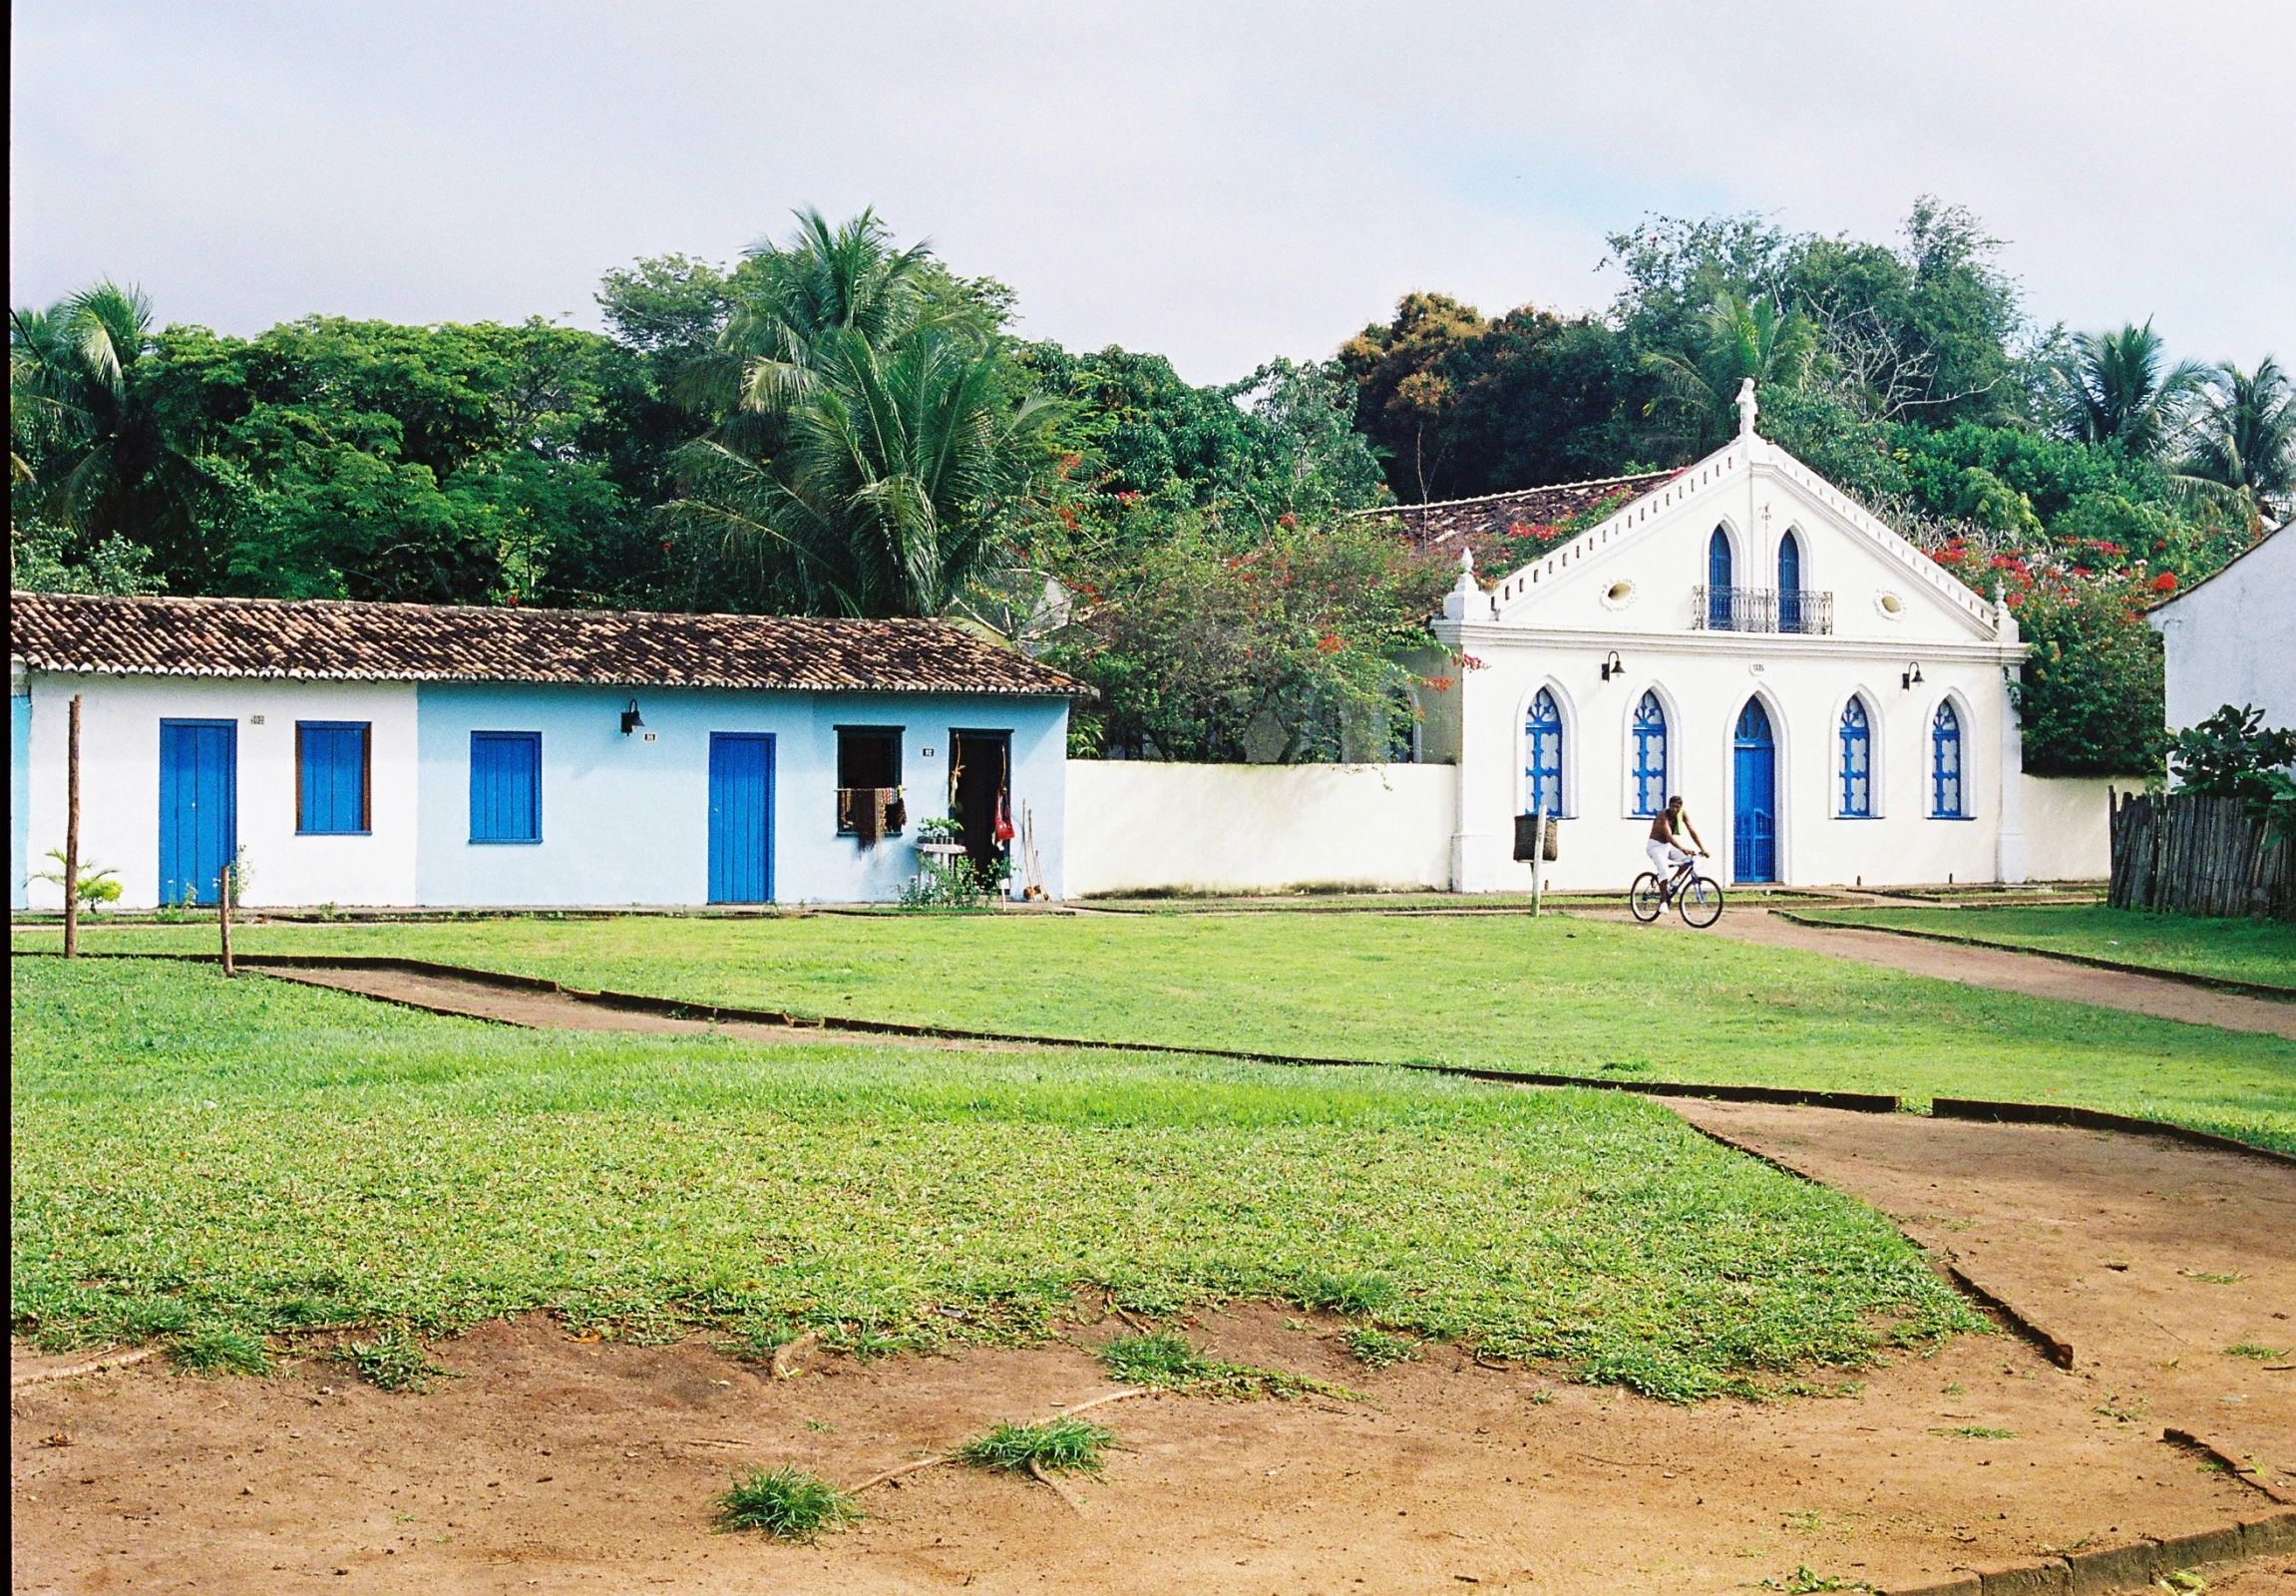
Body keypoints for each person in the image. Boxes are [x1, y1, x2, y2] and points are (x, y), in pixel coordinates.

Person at [1646, 796, 1709, 897]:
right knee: (1664, 871)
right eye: (1672, 806)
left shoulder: (1682, 814)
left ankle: (1675, 879)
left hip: (1668, 846)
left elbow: (1692, 831)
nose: (1674, 809)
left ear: (1681, 807)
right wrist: (1683, 849)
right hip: (1655, 846)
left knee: (1689, 859)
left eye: (1677, 807)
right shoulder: (1663, 815)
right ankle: (1663, 901)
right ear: (1669, 806)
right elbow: (1669, 836)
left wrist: (1703, 849)